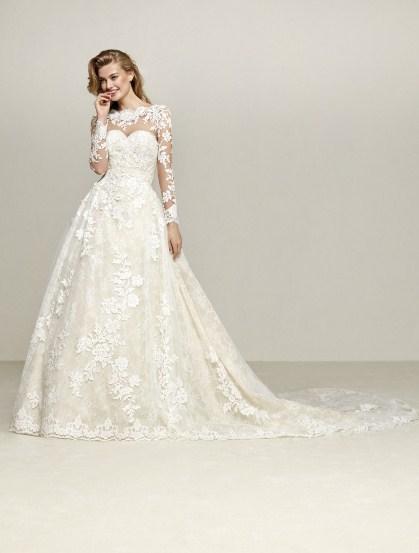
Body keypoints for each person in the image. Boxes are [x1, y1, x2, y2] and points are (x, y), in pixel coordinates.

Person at [9, 49, 419, 441]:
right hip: (101, 215)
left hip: (141, 215)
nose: (109, 86)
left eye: (114, 77)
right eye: (102, 81)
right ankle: (95, 403)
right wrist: (101, 120)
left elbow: (165, 172)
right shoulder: (102, 119)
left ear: (131, 73)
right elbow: (98, 166)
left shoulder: (159, 115)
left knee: (144, 299)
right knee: (96, 301)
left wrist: (171, 220)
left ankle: (143, 396)